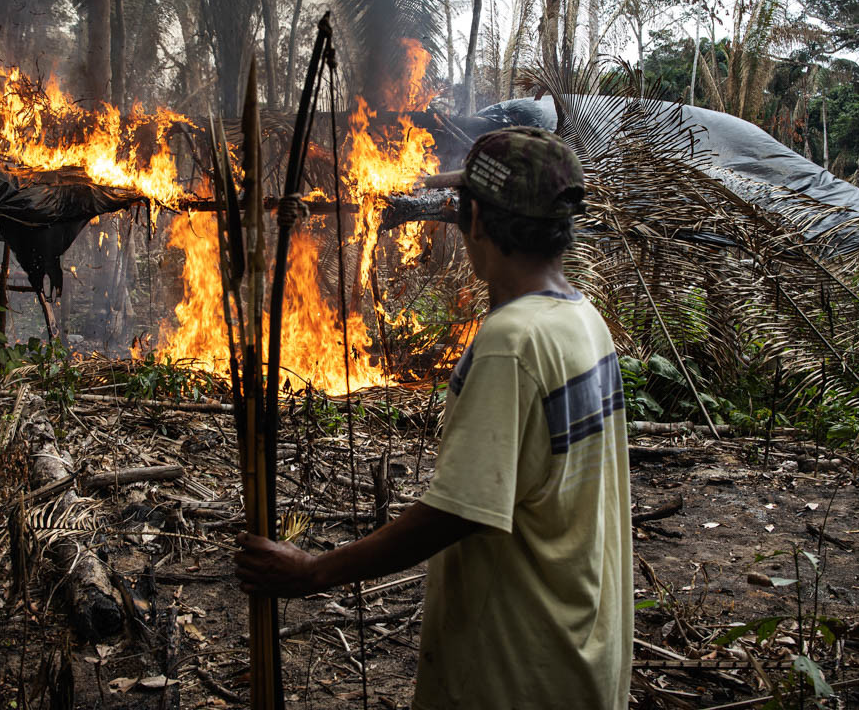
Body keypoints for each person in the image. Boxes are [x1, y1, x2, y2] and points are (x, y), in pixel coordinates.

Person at [235, 126, 632, 709]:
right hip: (580, 655)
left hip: (519, 674)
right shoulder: (583, 320)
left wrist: (313, 571)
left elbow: (456, 512)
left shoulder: (512, 342)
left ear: (475, 222)